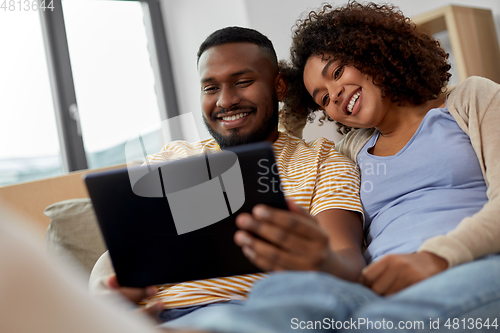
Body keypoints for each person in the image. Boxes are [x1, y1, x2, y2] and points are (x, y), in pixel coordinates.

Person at [150, 3, 500, 332]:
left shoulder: (468, 100)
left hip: (468, 264)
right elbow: (284, 139)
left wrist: (435, 258)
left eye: (336, 72)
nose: (335, 94)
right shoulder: (353, 148)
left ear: (372, 53)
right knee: (286, 296)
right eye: (321, 98)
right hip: (379, 286)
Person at [90, 26, 365, 325]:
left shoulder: (322, 161)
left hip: (252, 313)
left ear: (279, 86)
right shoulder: (168, 160)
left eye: (243, 82)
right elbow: (122, 264)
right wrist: (108, 301)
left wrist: (322, 258)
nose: (225, 100)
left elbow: (348, 261)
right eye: (210, 88)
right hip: (151, 319)